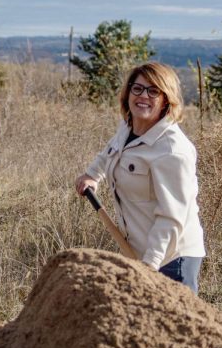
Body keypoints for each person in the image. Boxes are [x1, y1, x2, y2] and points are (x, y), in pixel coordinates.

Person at [75, 62, 206, 292]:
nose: (143, 96)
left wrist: (149, 266)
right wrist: (93, 174)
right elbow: (111, 150)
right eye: (138, 89)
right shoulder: (129, 127)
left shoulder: (173, 150)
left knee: (171, 326)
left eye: (153, 91)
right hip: (138, 252)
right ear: (128, 93)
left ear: (166, 99)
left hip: (172, 259)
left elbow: (171, 218)